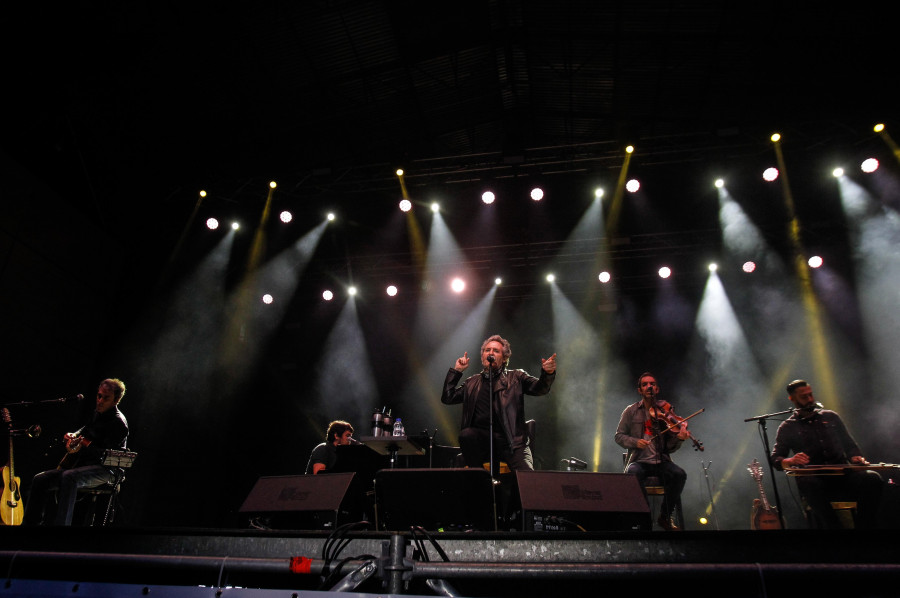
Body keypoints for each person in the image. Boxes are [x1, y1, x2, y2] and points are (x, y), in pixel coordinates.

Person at [770, 379, 883, 529]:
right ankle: (834, 526)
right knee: (807, 482)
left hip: (843, 476)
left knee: (873, 478)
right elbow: (776, 459)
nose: (810, 399)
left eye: (811, 395)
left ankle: (863, 525)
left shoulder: (831, 417)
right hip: (817, 481)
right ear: (792, 399)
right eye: (804, 397)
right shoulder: (787, 427)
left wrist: (856, 457)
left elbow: (850, 446)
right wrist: (790, 460)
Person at [441, 334, 556, 474]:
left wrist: (547, 374)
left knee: (528, 480)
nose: (490, 353)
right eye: (487, 350)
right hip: (482, 442)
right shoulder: (472, 383)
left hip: (511, 442)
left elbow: (540, 389)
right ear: (482, 356)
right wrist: (457, 371)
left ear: (505, 358)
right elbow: (448, 397)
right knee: (466, 435)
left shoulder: (516, 377)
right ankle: (480, 478)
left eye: (496, 351)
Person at [23, 378, 129, 526]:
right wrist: (74, 435)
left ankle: (62, 526)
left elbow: (108, 457)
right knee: (40, 479)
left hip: (107, 470)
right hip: (88, 465)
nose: (100, 400)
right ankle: (30, 526)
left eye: (106, 398)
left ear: (116, 400)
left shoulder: (119, 423)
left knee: (69, 477)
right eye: (99, 396)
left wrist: (84, 444)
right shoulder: (97, 413)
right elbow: (85, 430)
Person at [615, 372, 690, 531]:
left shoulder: (664, 412)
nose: (649, 386)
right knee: (633, 472)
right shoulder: (631, 411)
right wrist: (636, 442)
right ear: (640, 390)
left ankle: (664, 516)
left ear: (657, 389)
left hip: (661, 461)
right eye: (645, 384)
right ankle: (644, 518)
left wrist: (680, 438)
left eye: (653, 384)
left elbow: (670, 448)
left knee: (679, 474)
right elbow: (619, 436)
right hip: (639, 461)